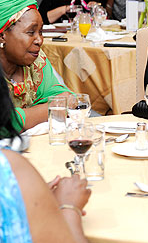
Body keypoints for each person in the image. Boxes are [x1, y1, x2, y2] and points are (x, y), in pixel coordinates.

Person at [0, 63, 91, 242]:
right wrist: (69, 207)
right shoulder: (9, 169)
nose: (39, 40)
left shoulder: (36, 64)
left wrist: (32, 194)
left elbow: (65, 96)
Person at [0, 0, 71, 130]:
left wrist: (25, 117)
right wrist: (52, 108)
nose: (39, 40)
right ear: (2, 36)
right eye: (31, 32)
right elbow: (5, 123)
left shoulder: (35, 61)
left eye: (41, 32)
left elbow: (68, 98)